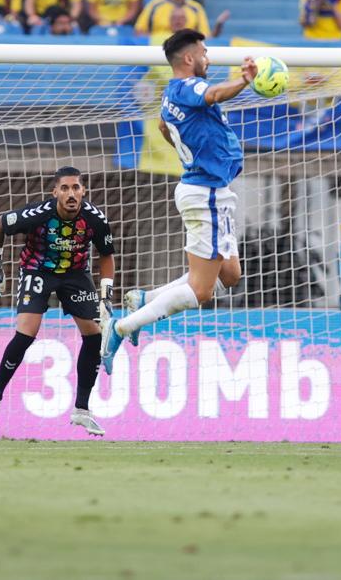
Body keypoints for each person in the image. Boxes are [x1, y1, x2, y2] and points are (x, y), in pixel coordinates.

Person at [102, 29, 256, 370]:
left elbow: (161, 126)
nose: (208, 57)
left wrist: (192, 154)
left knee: (230, 275)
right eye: (203, 52)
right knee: (202, 291)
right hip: (207, 195)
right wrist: (244, 80)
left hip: (210, 191)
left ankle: (146, 299)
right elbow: (214, 93)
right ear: (188, 59)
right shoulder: (190, 86)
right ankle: (123, 325)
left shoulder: (171, 94)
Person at [0, 167, 116, 436]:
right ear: (55, 192)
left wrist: (105, 294)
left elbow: (106, 255)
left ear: (83, 191)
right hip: (37, 270)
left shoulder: (95, 219)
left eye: (75, 187)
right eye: (64, 188)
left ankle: (81, 410)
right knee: (26, 334)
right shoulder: (38, 214)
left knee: (94, 336)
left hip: (76, 275)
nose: (70, 193)